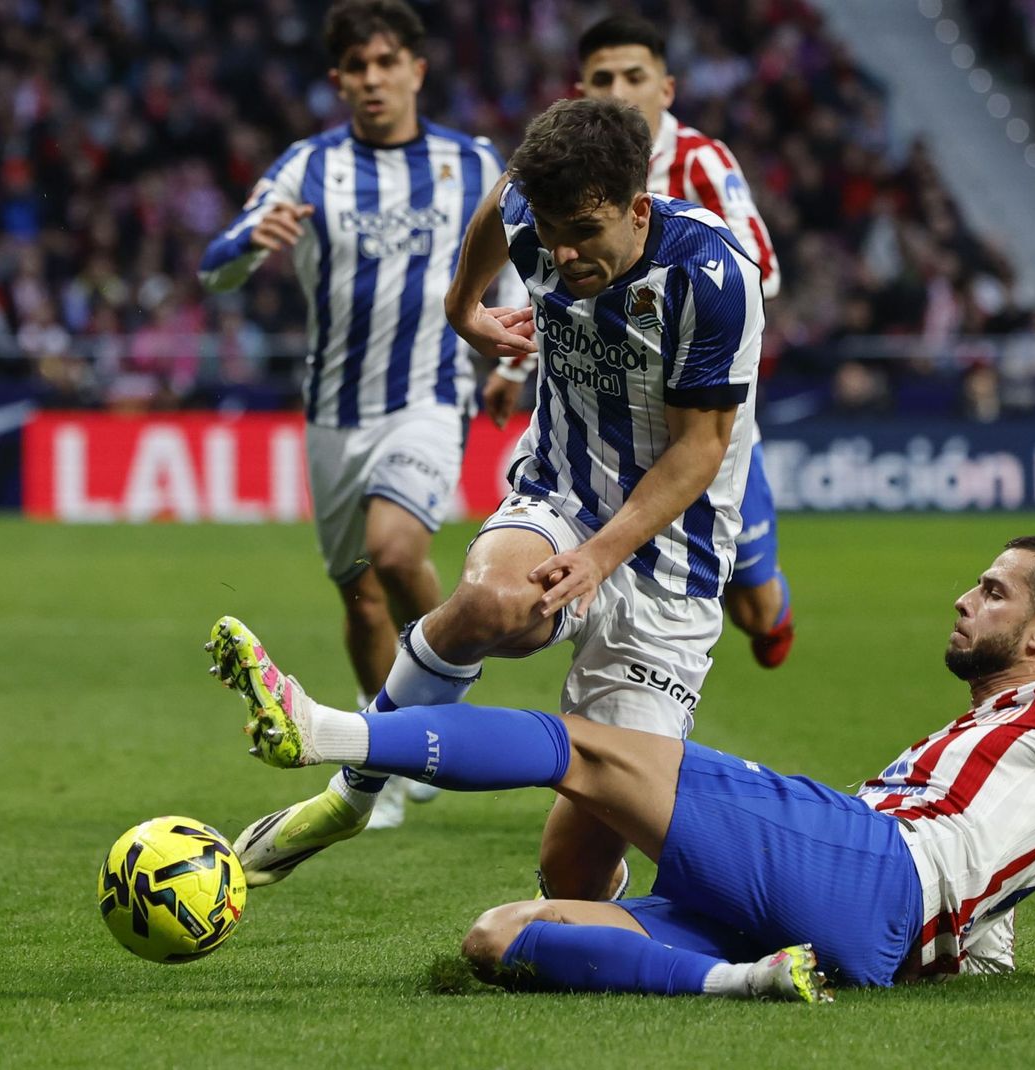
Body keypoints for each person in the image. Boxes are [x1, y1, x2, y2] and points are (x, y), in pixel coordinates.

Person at [205, 535, 1035, 1002]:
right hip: (851, 925)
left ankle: (326, 734)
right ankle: (751, 983)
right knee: (496, 934)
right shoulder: (961, 740)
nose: (962, 595)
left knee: (587, 751)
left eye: (991, 590)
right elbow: (997, 874)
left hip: (873, 869)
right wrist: (972, 939)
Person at [226, 96, 766, 901]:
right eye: (550, 229)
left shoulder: (712, 278)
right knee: (487, 601)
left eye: (585, 230)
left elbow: (700, 451)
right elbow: (505, 196)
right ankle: (349, 798)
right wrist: (462, 307)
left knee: (571, 876)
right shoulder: (536, 213)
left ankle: (601, 917)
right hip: (561, 495)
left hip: (669, 564)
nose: (562, 250)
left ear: (638, 209)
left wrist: (600, 557)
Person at [198, 0, 520, 828]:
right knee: (362, 599)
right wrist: (246, 243)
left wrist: (513, 350)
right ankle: (392, 747)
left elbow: (514, 260)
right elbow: (215, 268)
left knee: (396, 547)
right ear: (338, 78)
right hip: (335, 410)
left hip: (429, 394)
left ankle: (437, 696)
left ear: (416, 68)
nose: (372, 79)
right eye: (356, 66)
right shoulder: (307, 168)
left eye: (387, 63)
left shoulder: (468, 161)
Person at [483, 15, 795, 670]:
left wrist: (666, 297)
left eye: (635, 76)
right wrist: (513, 363)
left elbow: (758, 270)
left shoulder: (699, 163)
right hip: (599, 408)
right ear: (581, 90)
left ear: (667, 87)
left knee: (755, 610)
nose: (620, 90)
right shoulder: (568, 172)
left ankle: (771, 609)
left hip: (697, 408)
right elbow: (541, 268)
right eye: (603, 79)